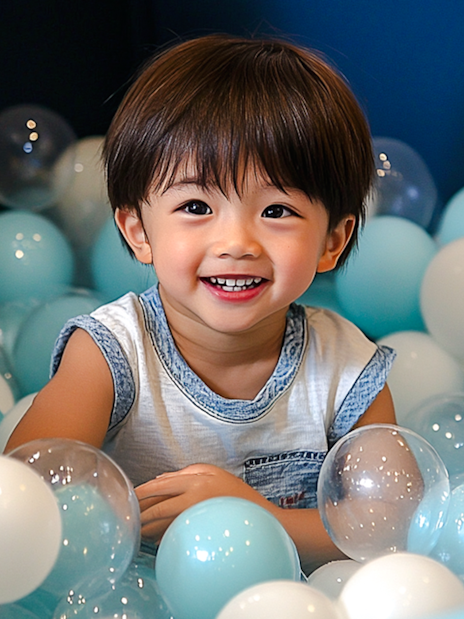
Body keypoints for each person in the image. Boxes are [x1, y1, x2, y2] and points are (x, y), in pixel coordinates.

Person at [5, 34, 396, 573]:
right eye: (195, 205)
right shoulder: (113, 353)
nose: (237, 242)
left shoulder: (346, 368)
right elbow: (23, 495)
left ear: (332, 239)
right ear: (139, 231)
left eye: (277, 210)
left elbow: (390, 525)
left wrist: (250, 515)